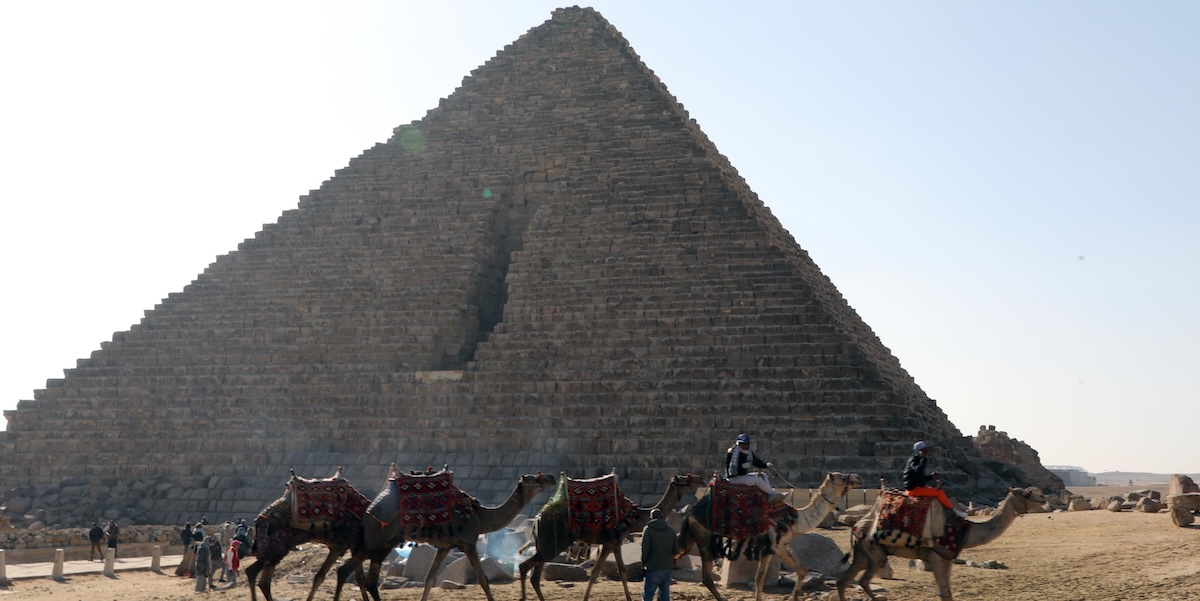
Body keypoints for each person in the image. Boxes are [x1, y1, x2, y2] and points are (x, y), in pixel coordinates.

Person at [903, 441, 967, 518]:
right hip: (913, 490)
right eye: (924, 450)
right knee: (939, 492)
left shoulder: (918, 460)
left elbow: (921, 478)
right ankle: (954, 511)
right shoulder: (913, 461)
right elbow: (918, 470)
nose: (926, 452)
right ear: (919, 451)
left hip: (916, 487)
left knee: (934, 490)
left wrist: (931, 476)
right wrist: (924, 459)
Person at [724, 433, 778, 498]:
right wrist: (741, 466)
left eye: (746, 444)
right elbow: (730, 466)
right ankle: (773, 494)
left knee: (763, 475)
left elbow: (756, 462)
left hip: (743, 476)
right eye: (742, 444)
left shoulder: (749, 453)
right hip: (734, 478)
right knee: (758, 480)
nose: (744, 446)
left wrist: (766, 465)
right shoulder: (732, 452)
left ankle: (768, 493)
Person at [640, 508, 677, 601]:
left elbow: (645, 550)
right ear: (662, 517)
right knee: (665, 595)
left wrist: (643, 564)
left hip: (652, 568)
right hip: (667, 568)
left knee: (648, 595)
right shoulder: (671, 531)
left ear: (651, 518)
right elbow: (676, 550)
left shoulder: (648, 530)